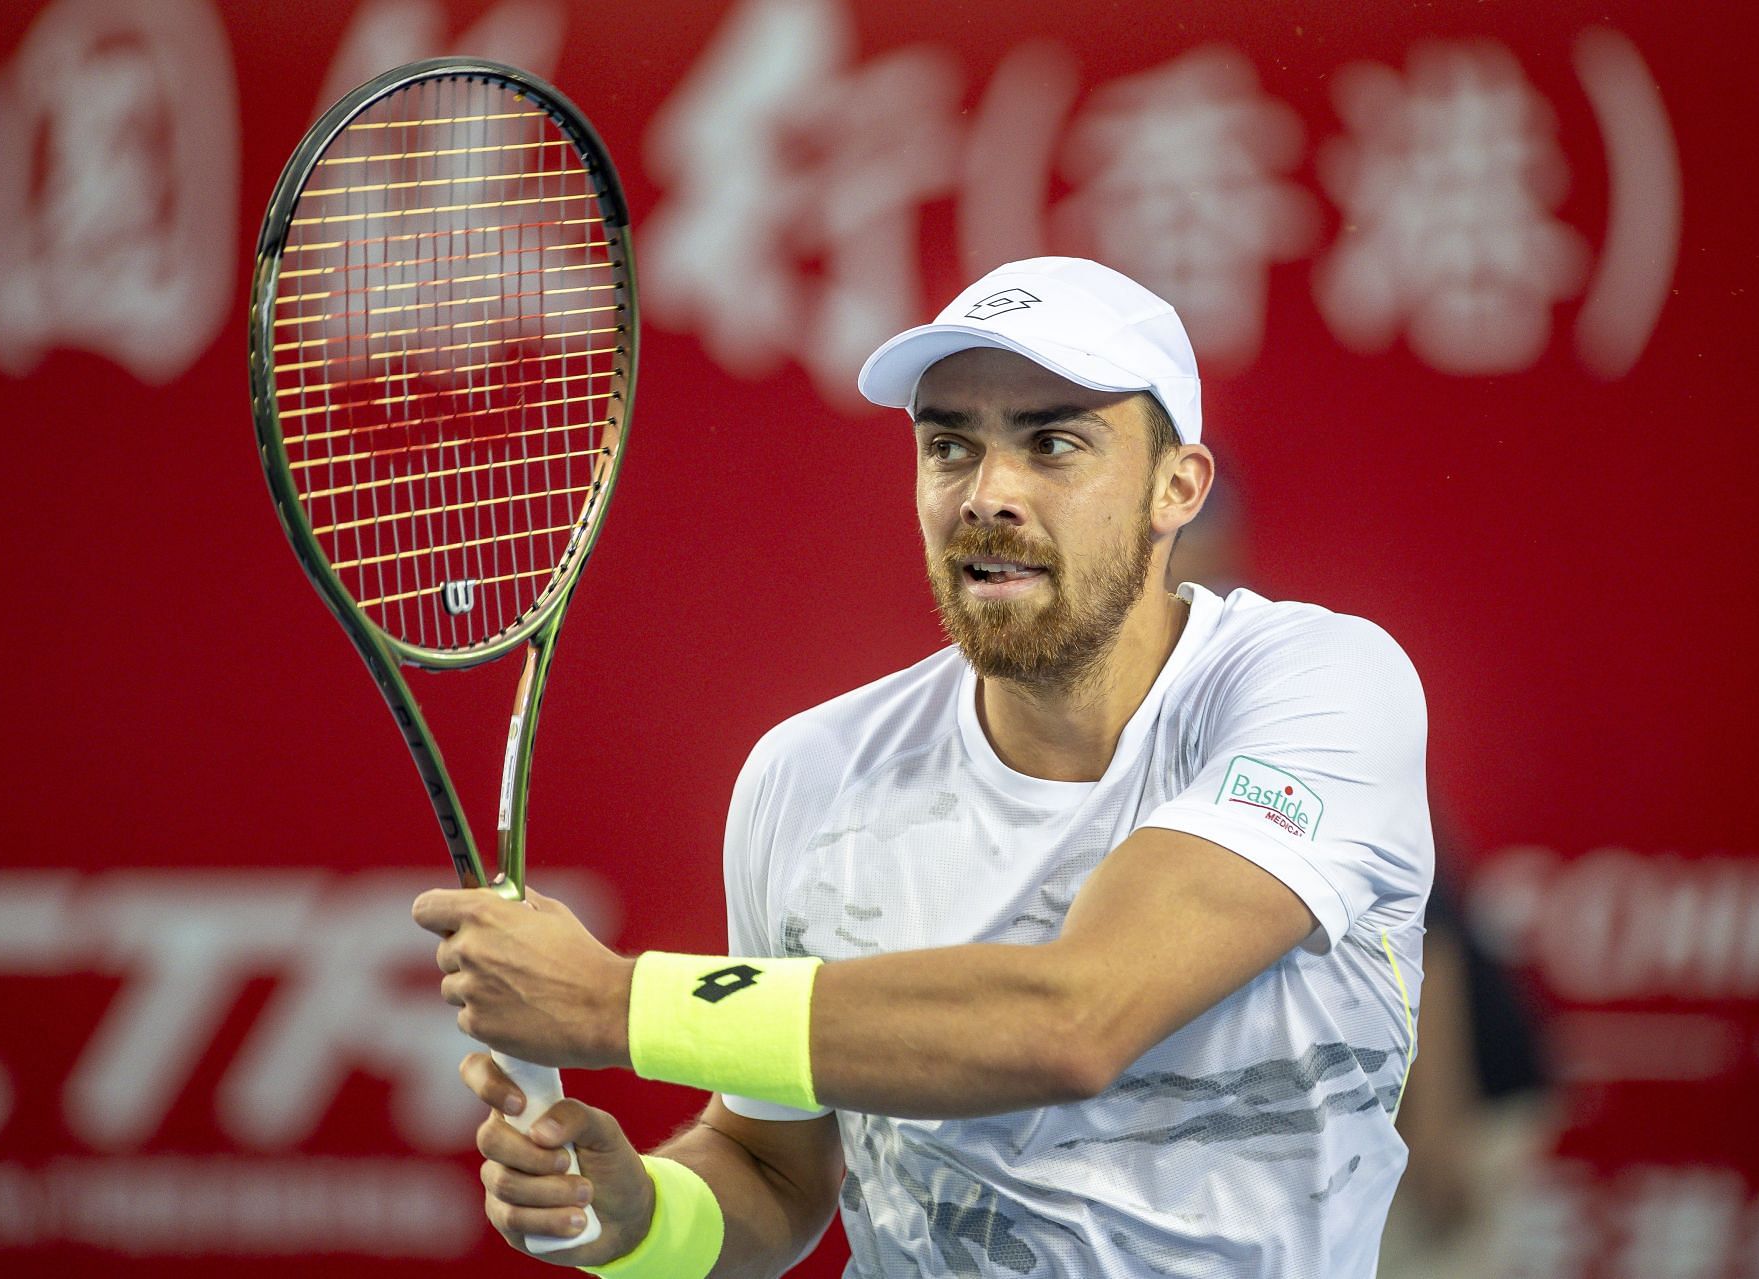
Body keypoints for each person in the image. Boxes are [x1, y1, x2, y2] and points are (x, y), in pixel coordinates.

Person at [413, 257, 1434, 1279]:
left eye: (1054, 442)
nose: (988, 493)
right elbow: (775, 1170)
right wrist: (640, 1219)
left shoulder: (1325, 688)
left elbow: (1076, 1018)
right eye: (950, 444)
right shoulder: (808, 777)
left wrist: (613, 1003)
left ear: (1179, 487)